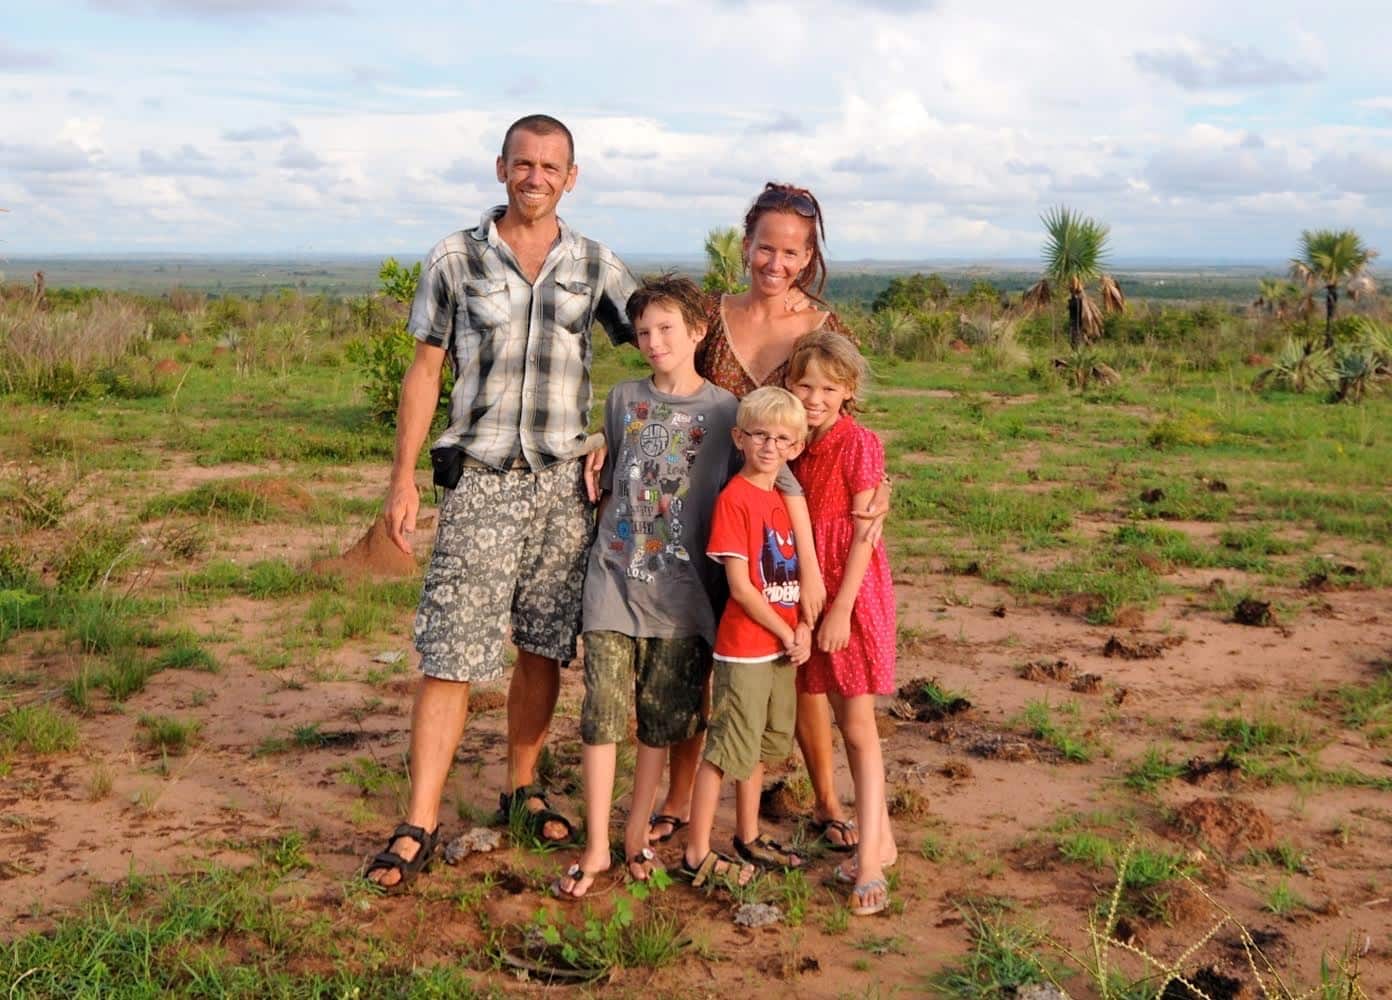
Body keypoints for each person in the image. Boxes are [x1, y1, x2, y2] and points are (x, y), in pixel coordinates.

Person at [364, 114, 638, 891]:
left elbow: (661, 345)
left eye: (552, 166)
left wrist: (619, 431)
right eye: (524, 163)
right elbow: (424, 370)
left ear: (571, 177)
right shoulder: (454, 258)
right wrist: (404, 477)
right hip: (481, 479)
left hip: (563, 484)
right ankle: (418, 819)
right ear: (500, 168)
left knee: (544, 645)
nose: (536, 176)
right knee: (451, 652)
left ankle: (522, 789)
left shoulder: (593, 263)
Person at [647, 183, 884, 856]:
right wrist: (612, 437)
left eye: (790, 252)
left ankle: (827, 800)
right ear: (744, 243)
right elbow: (666, 392)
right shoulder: (705, 315)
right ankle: (678, 799)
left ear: (809, 257)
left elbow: (848, 435)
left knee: (793, 659)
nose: (774, 264)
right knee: (696, 652)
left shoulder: (825, 331)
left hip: (788, 521)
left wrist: (878, 492)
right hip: (699, 509)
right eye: (764, 248)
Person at [551, 275, 739, 898]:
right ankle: (598, 846)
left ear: (698, 332)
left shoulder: (727, 414)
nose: (654, 342)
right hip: (612, 583)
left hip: (685, 599)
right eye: (644, 332)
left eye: (667, 330)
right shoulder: (623, 397)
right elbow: (609, 465)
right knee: (602, 715)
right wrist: (601, 441)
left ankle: (635, 836)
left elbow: (761, 481)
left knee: (660, 725)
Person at [679, 387, 813, 886]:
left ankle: (748, 836)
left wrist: (800, 630)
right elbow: (741, 587)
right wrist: (786, 631)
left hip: (780, 646)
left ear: (796, 447)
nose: (769, 447)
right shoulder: (735, 499)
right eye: (759, 435)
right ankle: (695, 851)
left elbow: (791, 579)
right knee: (725, 749)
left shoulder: (782, 498)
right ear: (739, 438)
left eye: (782, 439)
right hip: (747, 648)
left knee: (754, 746)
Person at [786, 330, 898, 915]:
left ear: (848, 392)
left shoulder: (860, 444)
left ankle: (872, 861)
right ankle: (882, 835)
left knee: (857, 725)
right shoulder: (792, 446)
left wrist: (839, 611)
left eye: (828, 388)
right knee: (829, 714)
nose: (814, 397)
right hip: (809, 593)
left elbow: (861, 535)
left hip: (848, 595)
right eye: (804, 384)